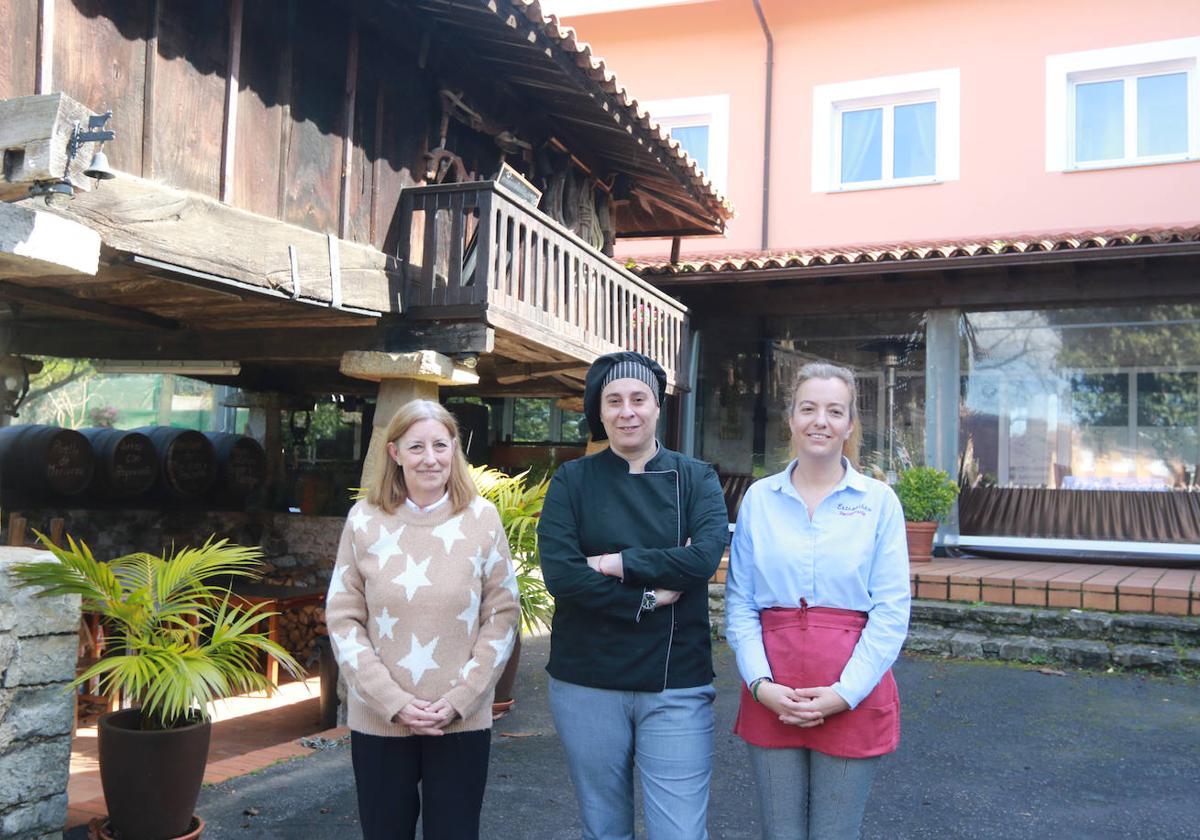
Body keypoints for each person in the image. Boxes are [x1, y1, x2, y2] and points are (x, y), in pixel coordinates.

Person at [537, 350, 730, 840]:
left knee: (680, 833)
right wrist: (647, 597)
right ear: (598, 412)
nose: (628, 411)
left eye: (639, 398)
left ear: (657, 405)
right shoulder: (572, 480)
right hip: (587, 678)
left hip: (675, 680)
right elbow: (561, 576)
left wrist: (613, 562)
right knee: (603, 829)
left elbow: (703, 559)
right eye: (614, 400)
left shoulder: (696, 477)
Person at [725, 362, 911, 840]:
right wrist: (760, 685)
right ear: (790, 418)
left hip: (853, 691)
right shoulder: (759, 500)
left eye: (834, 411)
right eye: (808, 408)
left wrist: (843, 693)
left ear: (850, 425)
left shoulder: (879, 502)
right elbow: (741, 605)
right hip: (773, 691)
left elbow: (891, 612)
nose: (820, 421)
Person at [325, 399, 518, 840]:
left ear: (454, 448)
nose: (429, 458)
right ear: (394, 453)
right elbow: (343, 618)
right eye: (416, 447)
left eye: (439, 445)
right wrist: (391, 700)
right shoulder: (364, 521)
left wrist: (461, 698)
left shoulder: (483, 520)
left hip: (460, 721)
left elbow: (503, 616)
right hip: (380, 720)